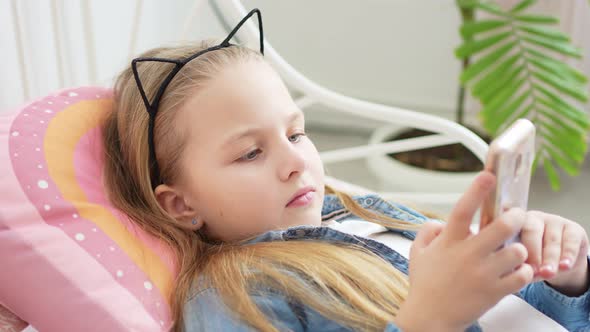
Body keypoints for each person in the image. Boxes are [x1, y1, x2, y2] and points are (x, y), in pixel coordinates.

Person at [101, 9, 589, 332]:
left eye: (295, 134)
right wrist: (432, 317)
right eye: (250, 153)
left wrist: (563, 276)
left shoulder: (366, 211)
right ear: (181, 204)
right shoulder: (233, 297)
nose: (295, 162)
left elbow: (524, 307)